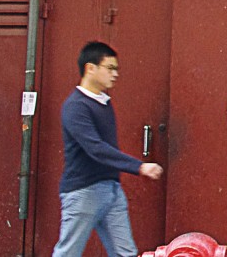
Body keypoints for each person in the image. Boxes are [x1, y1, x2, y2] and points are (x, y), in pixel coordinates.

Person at [53, 41, 163, 257]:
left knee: (125, 253)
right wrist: (139, 167)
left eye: (116, 69)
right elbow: (96, 148)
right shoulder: (76, 106)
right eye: (110, 68)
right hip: (83, 192)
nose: (115, 74)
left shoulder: (103, 103)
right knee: (68, 253)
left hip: (111, 190)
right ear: (90, 68)